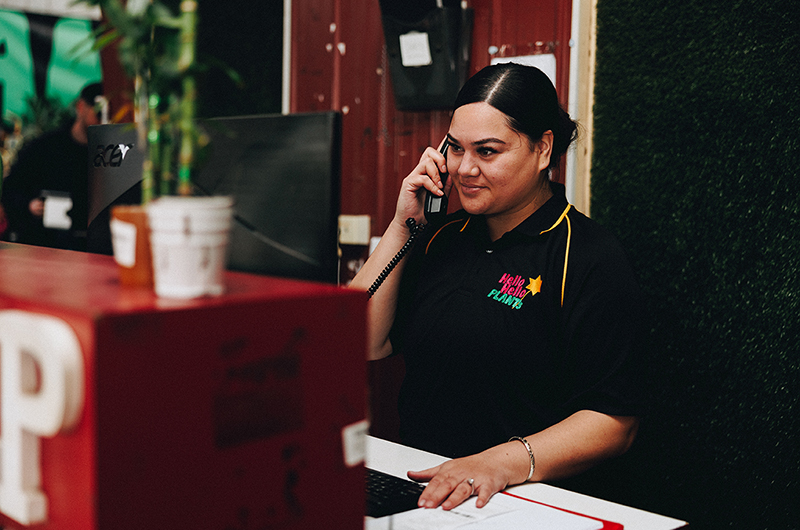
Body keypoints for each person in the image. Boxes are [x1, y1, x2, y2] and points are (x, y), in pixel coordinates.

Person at [350, 63, 647, 511]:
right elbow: (358, 341)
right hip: (426, 494)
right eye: (455, 149)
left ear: (543, 148)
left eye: (487, 151)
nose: (465, 168)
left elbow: (613, 422)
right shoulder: (438, 239)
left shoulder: (588, 256)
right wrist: (402, 225)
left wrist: (497, 464)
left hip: (523, 500)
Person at [1, 82, 103, 250]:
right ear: (81, 107)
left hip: (89, 247)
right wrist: (29, 205)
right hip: (42, 244)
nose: (103, 120)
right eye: (99, 112)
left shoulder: (110, 155)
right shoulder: (45, 147)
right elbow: (12, 187)